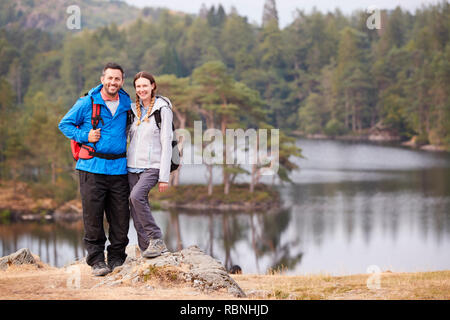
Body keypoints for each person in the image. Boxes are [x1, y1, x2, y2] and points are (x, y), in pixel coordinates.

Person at [59, 62, 131, 276]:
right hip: (92, 168)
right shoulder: (86, 102)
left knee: (121, 217)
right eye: (109, 78)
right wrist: (85, 136)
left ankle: (117, 258)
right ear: (102, 80)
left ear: (122, 82)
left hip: (119, 169)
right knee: (93, 216)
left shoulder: (127, 102)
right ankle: (97, 261)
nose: (113, 82)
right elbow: (65, 124)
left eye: (117, 79)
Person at [127, 71, 172, 258]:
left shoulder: (163, 109)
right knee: (136, 209)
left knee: (136, 197)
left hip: (153, 166)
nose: (141, 89)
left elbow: (167, 142)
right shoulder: (132, 110)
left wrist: (164, 176)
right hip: (131, 166)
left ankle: (157, 238)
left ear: (153, 86)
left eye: (145, 85)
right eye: (138, 86)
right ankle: (147, 251)